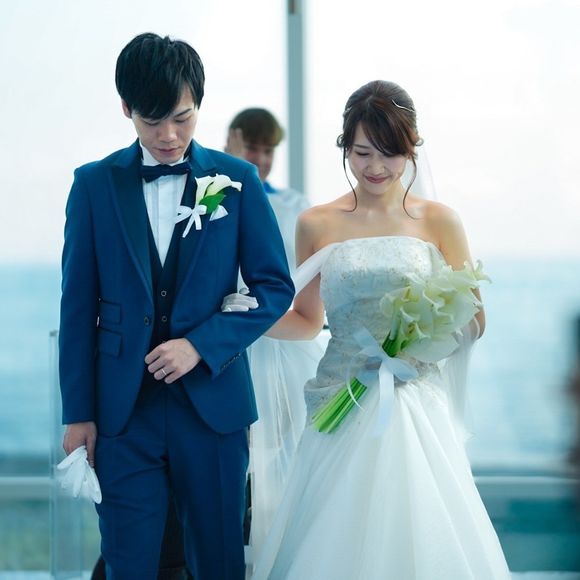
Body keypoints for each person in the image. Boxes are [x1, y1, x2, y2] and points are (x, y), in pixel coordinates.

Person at [248, 80, 511, 579]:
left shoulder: (440, 220)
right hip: (339, 399)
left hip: (414, 400)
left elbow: (475, 321)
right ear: (344, 147)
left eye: (388, 154)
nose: (375, 167)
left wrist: (420, 337)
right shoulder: (316, 223)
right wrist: (245, 319)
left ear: (410, 149)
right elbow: (307, 321)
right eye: (362, 152)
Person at [58, 32, 294, 580]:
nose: (168, 136)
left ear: (199, 107)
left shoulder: (237, 181)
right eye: (152, 120)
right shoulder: (93, 185)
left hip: (213, 411)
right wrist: (78, 413)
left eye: (182, 119)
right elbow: (76, 308)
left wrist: (200, 345)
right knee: (127, 564)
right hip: (122, 416)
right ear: (127, 109)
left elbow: (274, 287)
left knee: (218, 563)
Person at [224, 108, 326, 562]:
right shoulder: (212, 192)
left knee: (283, 446)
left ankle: (274, 550)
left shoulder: (294, 204)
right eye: (252, 148)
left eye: (269, 151)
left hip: (281, 338)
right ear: (232, 140)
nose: (261, 159)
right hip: (229, 335)